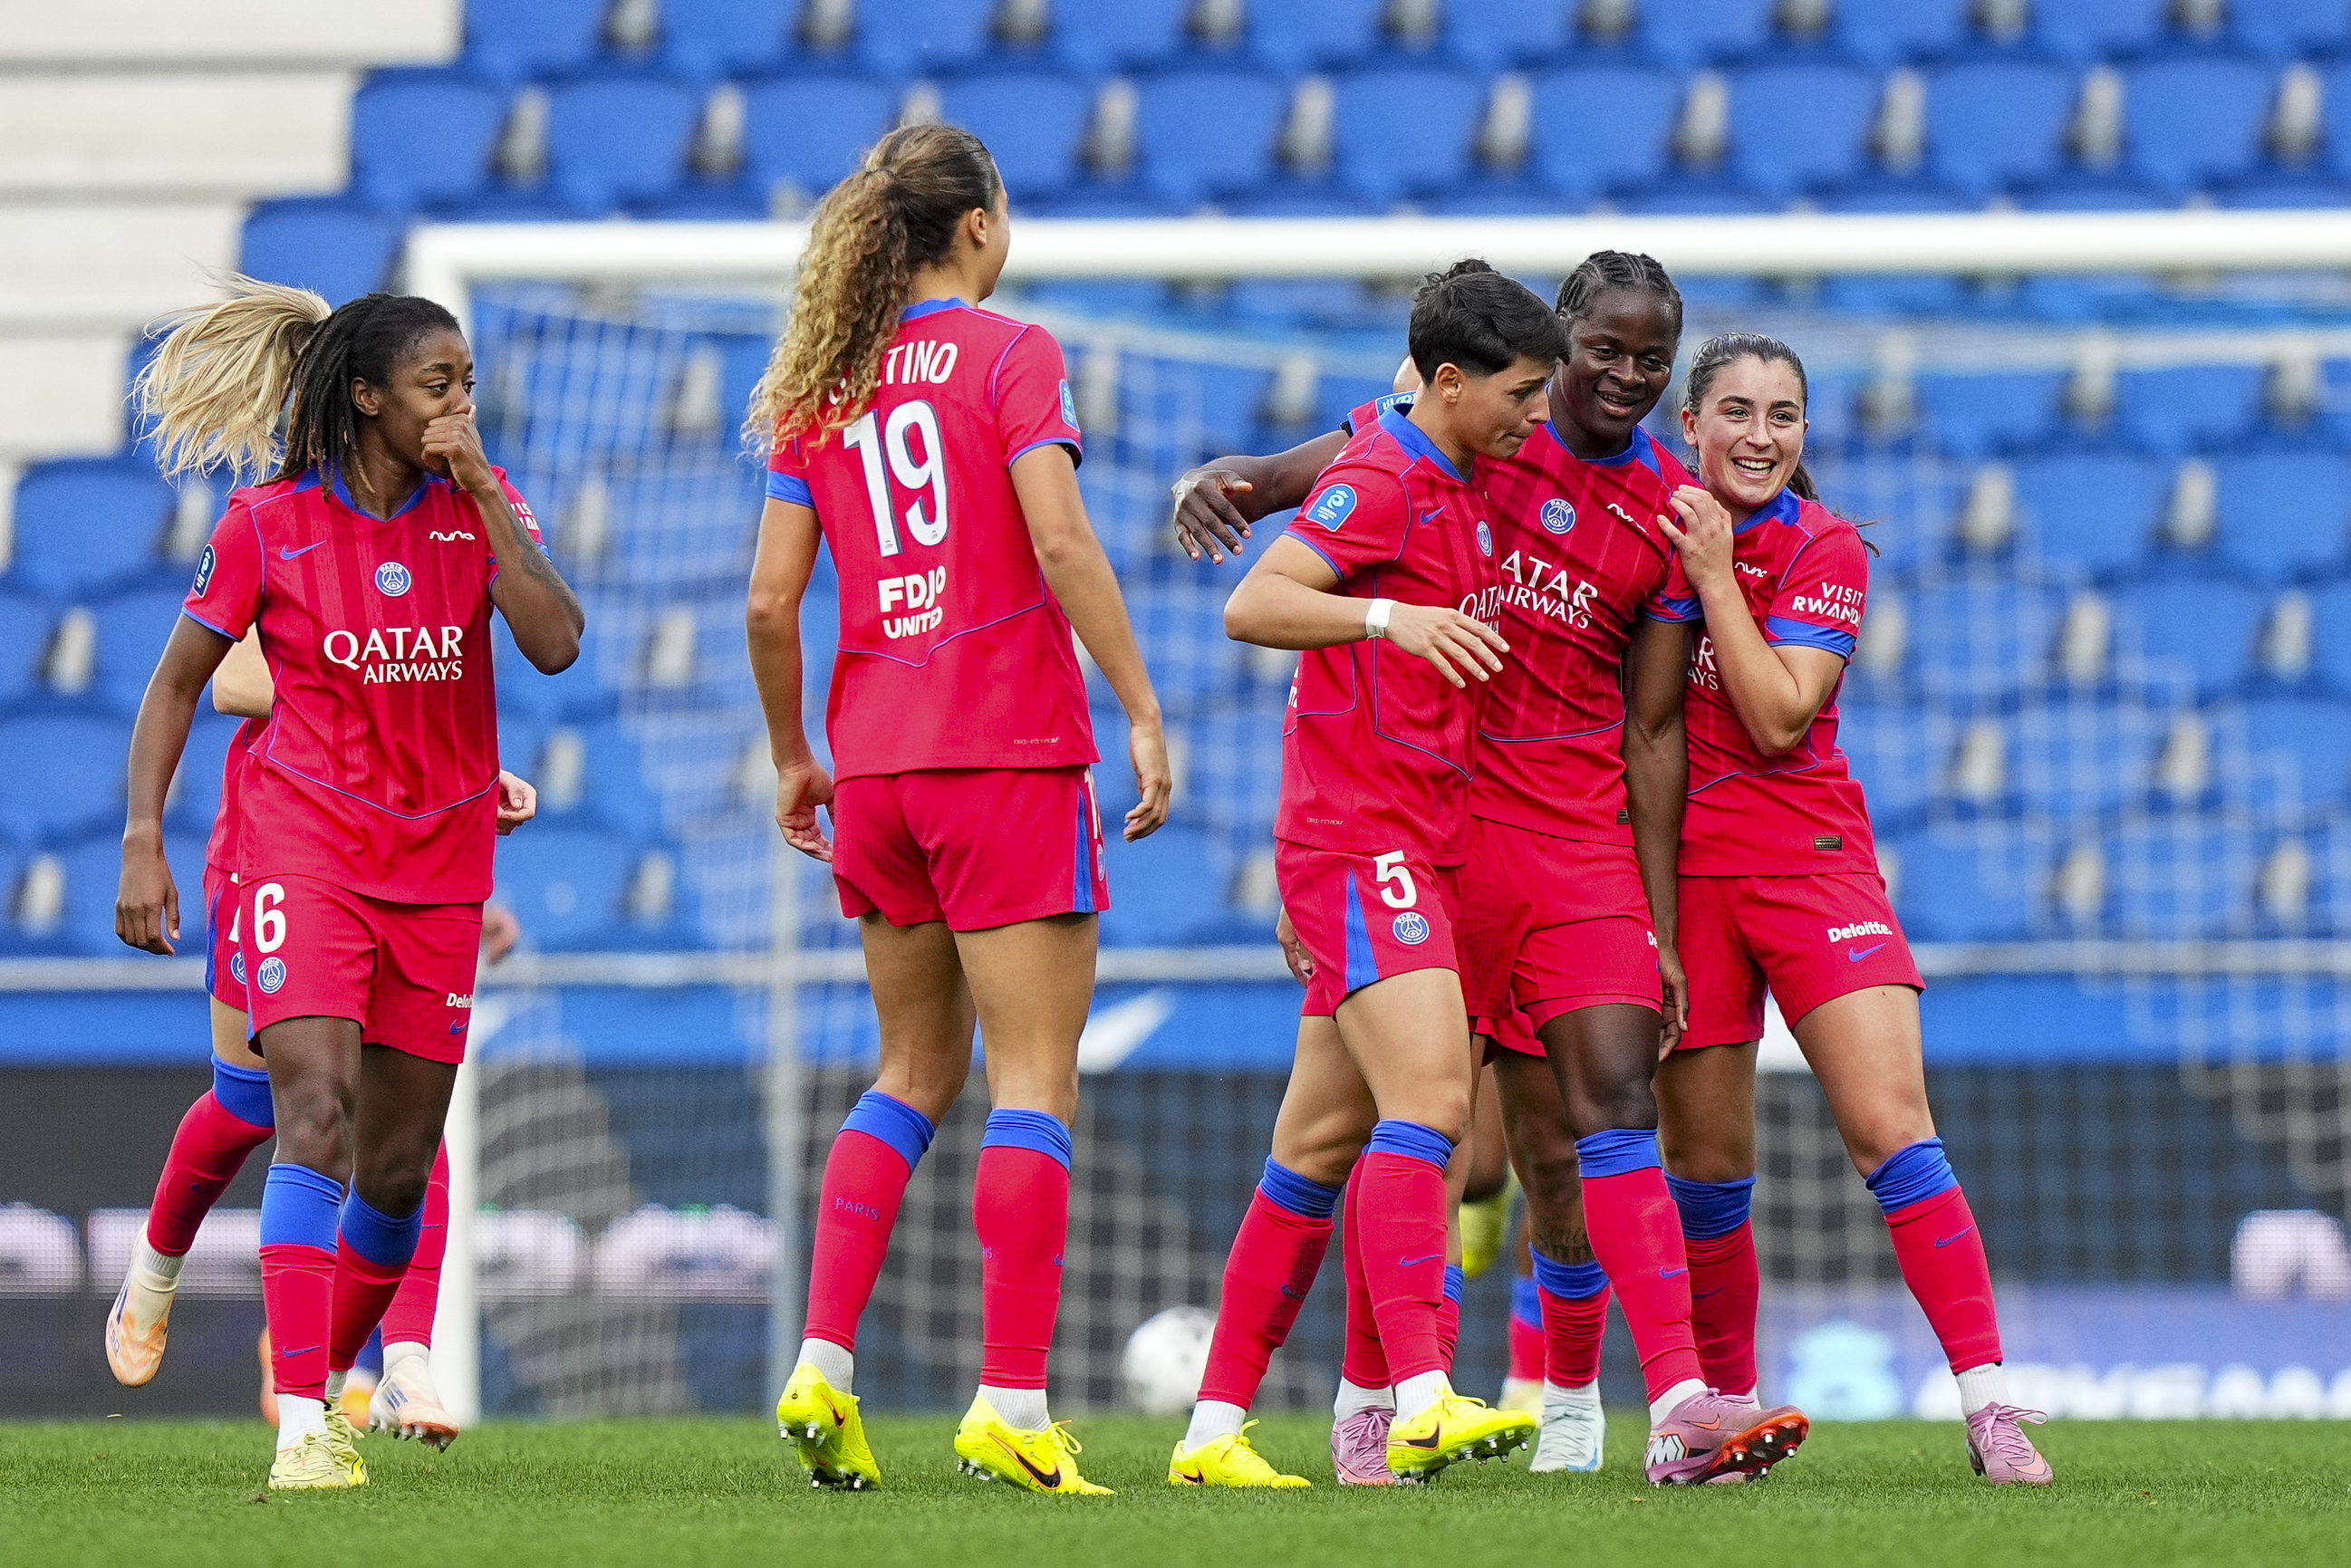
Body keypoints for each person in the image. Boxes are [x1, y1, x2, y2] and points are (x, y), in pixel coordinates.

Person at [1171, 255, 1807, 1486]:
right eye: (1602, 352)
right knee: (1372, 1129)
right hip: (1417, 838)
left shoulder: (1650, 502)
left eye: (1650, 358)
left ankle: (1666, 1400)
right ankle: (1374, 1401)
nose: (1624, 376)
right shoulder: (1460, 443)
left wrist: (1658, 917)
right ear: (1547, 351)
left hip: (1566, 841)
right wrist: (1233, 483)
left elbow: (1654, 727)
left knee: (1595, 1109)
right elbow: (1329, 484)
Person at [745, 124, 1170, 1497]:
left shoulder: (823, 384)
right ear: (979, 224)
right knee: (1030, 1080)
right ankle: (1011, 1402)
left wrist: (793, 755)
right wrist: (1141, 704)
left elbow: (768, 601)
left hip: (874, 765)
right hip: (1005, 751)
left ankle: (820, 1361)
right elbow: (1058, 537)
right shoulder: (1010, 352)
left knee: (910, 1073)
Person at [117, 278, 583, 1491]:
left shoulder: (479, 507)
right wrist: (142, 838)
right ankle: (300, 1423)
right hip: (303, 852)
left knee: (397, 1165)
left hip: (439, 868)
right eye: (438, 385)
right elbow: (180, 681)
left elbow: (554, 642)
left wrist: (485, 491)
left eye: (468, 384)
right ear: (368, 398)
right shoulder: (268, 524)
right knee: (305, 1109)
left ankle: (329, 1379)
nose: (459, 405)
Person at [1166, 260, 1557, 1490]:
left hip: (1406, 835)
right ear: (1449, 383)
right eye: (1521, 393)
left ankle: (1211, 1429)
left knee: (1316, 1142)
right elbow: (1253, 603)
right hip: (1363, 840)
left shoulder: (1446, 460)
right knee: (1432, 1104)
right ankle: (1420, 1398)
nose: (1535, 415)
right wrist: (1392, 619)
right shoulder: (1385, 479)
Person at [1651, 332, 2052, 1486]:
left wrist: (1715, 574)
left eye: (1782, 415)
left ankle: (1990, 1406)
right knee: (1707, 1169)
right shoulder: (1645, 526)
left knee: (1894, 1131)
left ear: (1806, 433)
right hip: (1685, 882)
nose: (1759, 435)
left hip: (1814, 866)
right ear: (1691, 425)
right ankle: (1722, 1424)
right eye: (1735, 412)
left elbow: (1781, 717)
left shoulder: (1822, 545)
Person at [108, 621, 540, 1457]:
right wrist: (379, 704)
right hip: (275, 848)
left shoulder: (429, 556)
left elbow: (432, 713)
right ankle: (154, 1268)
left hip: (396, 861)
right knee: (247, 1102)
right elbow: (233, 680)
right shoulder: (283, 541)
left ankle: (399, 1357)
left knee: (405, 1113)